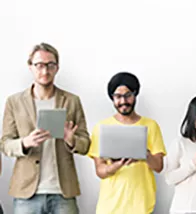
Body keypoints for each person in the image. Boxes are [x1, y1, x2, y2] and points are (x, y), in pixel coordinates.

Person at [0, 43, 90, 214]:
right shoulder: (14, 102)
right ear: (30, 67)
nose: (45, 71)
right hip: (26, 193)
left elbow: (85, 144)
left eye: (50, 65)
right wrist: (25, 143)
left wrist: (72, 140)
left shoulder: (72, 101)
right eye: (39, 65)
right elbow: (4, 144)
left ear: (57, 67)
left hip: (63, 192)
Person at [87, 72, 166, 214]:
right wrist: (118, 165)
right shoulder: (101, 128)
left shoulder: (151, 125)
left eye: (128, 95)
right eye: (118, 96)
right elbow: (100, 171)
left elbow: (159, 167)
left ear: (135, 95)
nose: (123, 101)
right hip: (109, 207)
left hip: (142, 206)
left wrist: (143, 153)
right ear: (112, 98)